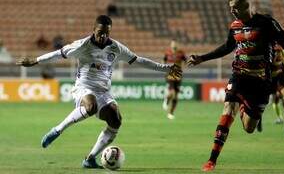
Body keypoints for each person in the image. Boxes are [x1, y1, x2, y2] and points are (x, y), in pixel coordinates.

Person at [17, 15, 182, 168]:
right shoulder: (82, 45)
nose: (103, 36)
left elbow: (138, 60)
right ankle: (57, 130)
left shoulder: (116, 48)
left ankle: (89, 159)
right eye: (100, 32)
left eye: (106, 33)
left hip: (104, 92)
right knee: (91, 106)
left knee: (116, 120)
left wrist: (165, 69)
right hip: (83, 87)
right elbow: (58, 54)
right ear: (94, 30)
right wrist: (34, 61)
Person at [187, 0, 284, 172]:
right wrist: (203, 58)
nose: (231, 11)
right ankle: (211, 160)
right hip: (239, 76)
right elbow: (227, 47)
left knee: (249, 127)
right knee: (227, 110)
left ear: (247, 5)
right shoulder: (234, 26)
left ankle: (244, 105)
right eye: (230, 7)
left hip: (261, 82)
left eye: (235, 7)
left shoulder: (267, 23)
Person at [162, 39, 187, 119]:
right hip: (169, 75)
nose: (174, 45)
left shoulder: (181, 53)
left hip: (177, 75)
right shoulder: (167, 52)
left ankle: (171, 113)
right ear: (171, 45)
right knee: (172, 92)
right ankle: (166, 99)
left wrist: (181, 69)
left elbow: (185, 61)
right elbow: (164, 60)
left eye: (175, 43)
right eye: (173, 43)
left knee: (176, 96)